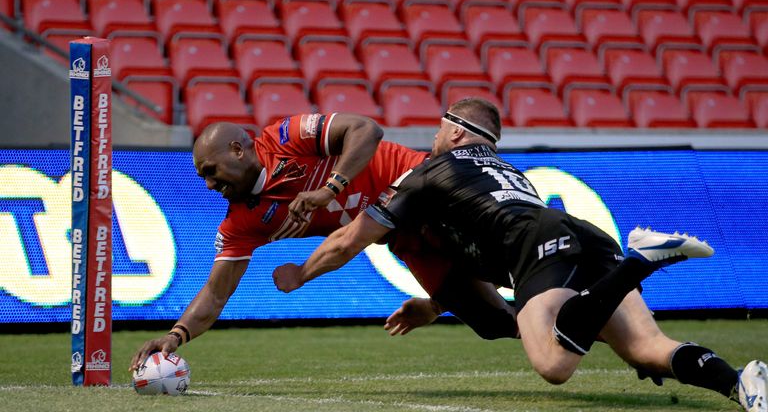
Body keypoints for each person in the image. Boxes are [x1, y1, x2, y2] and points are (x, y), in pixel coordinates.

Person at [272, 98, 767, 412]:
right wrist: (432, 305)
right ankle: (741, 384)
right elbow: (471, 251)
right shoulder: (509, 170)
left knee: (552, 364)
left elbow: (350, 238)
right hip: (583, 234)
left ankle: (640, 261)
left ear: (459, 132)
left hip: (534, 245)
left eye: (443, 126)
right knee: (645, 348)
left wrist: (301, 273)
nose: (435, 135)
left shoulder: (427, 172)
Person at [128, 113, 430, 371]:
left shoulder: (286, 138)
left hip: (418, 179)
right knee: (477, 314)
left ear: (237, 150)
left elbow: (366, 129)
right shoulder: (239, 225)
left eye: (211, 171)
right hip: (404, 233)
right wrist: (174, 336)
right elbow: (215, 294)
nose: (208, 185)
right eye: (202, 178)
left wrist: (330, 188)